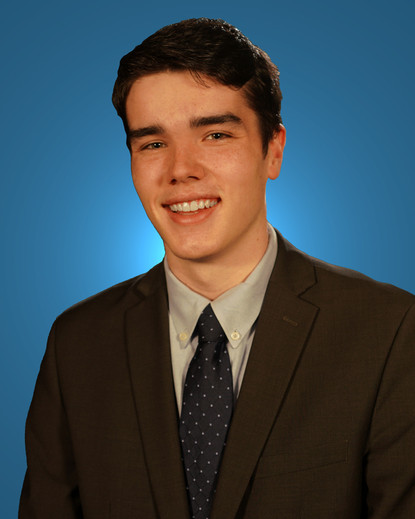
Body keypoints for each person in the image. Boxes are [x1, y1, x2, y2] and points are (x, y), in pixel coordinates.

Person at [19, 17, 415, 519]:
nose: (181, 170)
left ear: (273, 150)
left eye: (215, 135)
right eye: (153, 143)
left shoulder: (389, 331)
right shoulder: (77, 343)